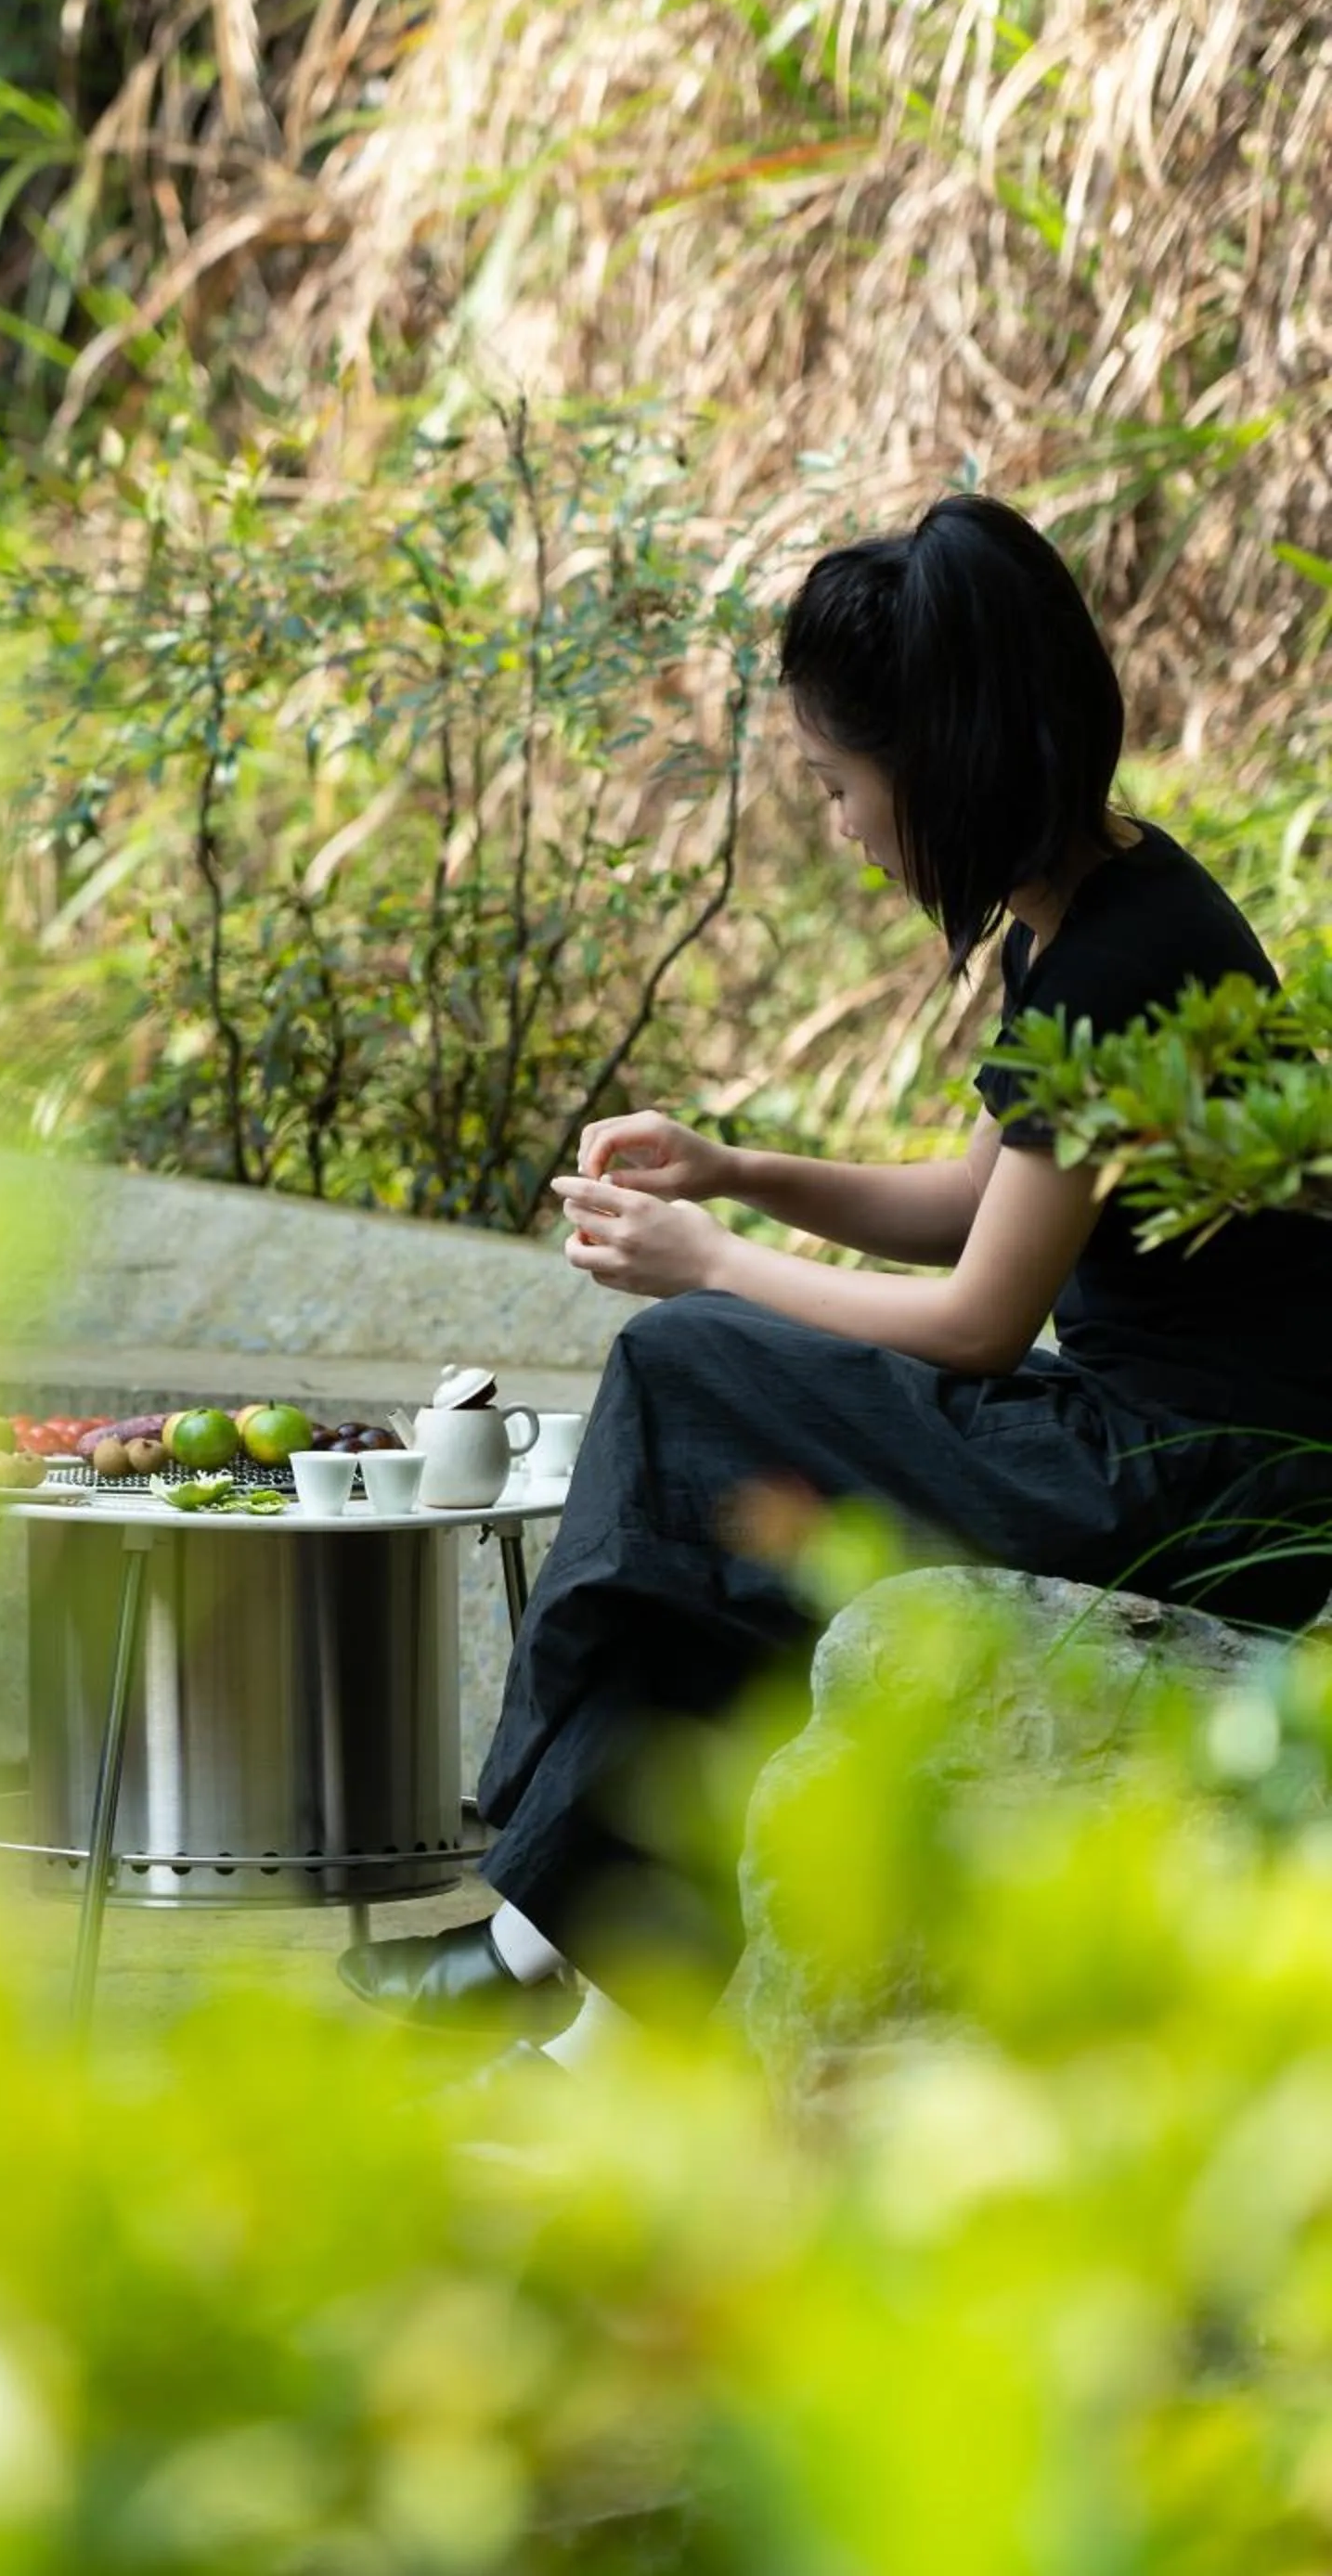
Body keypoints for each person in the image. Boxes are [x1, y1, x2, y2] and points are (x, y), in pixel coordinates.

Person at [338, 491, 1332, 2070]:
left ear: (942, 767)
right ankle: (573, 1968)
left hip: (1184, 1488)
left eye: (838, 782)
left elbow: (978, 1316)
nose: (839, 820)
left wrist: (710, 1262)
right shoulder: (1102, 903)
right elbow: (987, 1205)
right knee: (725, 1497)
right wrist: (737, 1171)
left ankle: (537, 1937)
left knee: (686, 1374)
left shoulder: (1120, 956)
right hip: (1141, 1439)